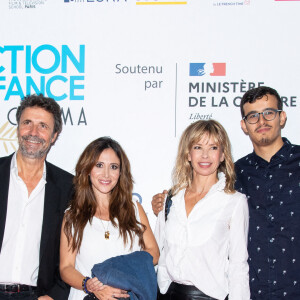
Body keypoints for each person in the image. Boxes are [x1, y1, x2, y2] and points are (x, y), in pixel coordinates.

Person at [152, 86, 300, 299]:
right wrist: (163, 204)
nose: (261, 121)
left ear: (282, 117)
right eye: (253, 116)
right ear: (244, 125)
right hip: (253, 289)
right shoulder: (235, 175)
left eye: (268, 113)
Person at [155, 120, 250, 300]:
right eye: (198, 147)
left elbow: (239, 266)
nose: (205, 155)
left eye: (213, 148)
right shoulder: (171, 199)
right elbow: (158, 251)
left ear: (222, 155)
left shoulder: (234, 201)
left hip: (210, 296)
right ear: (188, 154)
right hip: (169, 294)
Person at [60, 137, 159, 300]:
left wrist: (116, 276)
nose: (106, 174)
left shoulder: (133, 208)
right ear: (87, 168)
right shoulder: (73, 215)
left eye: (113, 167)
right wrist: (91, 286)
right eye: (99, 165)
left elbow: (153, 253)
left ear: (120, 172)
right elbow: (66, 267)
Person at [0, 94, 73, 300]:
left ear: (54, 136)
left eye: (43, 126)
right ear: (17, 128)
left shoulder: (69, 188)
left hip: (38, 296)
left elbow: (74, 253)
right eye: (27, 123)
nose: (33, 132)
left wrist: (56, 295)